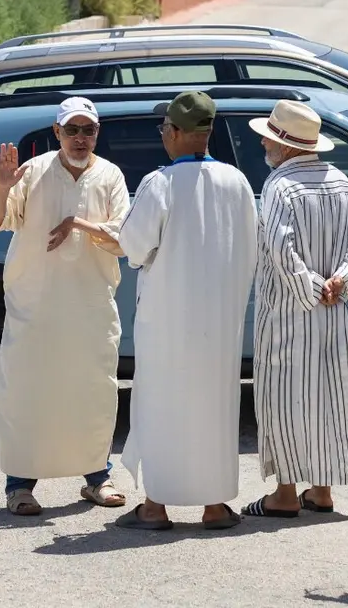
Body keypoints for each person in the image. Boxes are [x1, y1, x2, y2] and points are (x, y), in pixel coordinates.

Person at [114, 90, 258, 531]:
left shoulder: (160, 184)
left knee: (162, 408)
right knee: (213, 409)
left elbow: (133, 247)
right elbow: (251, 249)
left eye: (164, 129)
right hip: (220, 322)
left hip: (169, 323)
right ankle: (214, 505)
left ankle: (156, 506)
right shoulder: (237, 182)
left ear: (175, 132)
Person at [0, 96, 131, 516]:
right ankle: (20, 486)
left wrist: (79, 224)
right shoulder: (32, 171)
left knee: (92, 391)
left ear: (97, 134)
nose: (80, 138)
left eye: (88, 130)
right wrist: (1, 187)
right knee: (28, 393)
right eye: (72, 130)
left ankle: (97, 477)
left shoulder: (110, 175)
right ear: (57, 132)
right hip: (35, 306)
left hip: (90, 306)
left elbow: (123, 239)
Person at [240, 100, 348, 519]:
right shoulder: (341, 182)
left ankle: (284, 494)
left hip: (288, 311)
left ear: (283, 144)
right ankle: (322, 490)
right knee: (329, 396)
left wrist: (313, 288)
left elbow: (281, 249)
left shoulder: (280, 186)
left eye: (268, 136)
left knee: (283, 398)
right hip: (332, 311)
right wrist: (341, 282)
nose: (263, 141)